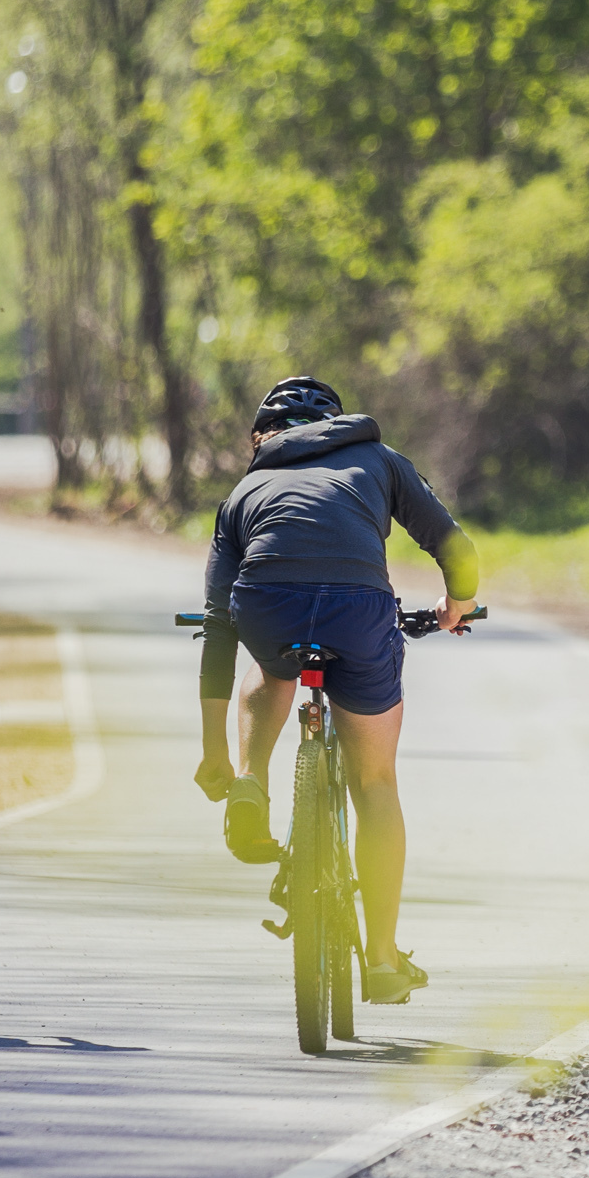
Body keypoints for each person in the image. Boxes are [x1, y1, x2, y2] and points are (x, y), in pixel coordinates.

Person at [194, 374, 480, 1005]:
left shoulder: (246, 488)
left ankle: (249, 779)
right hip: (360, 609)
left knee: (269, 667)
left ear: (260, 438)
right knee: (375, 785)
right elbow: (455, 546)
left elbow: (217, 625)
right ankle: (380, 960)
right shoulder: (378, 458)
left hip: (270, 606)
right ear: (335, 424)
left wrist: (212, 750)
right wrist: (457, 604)